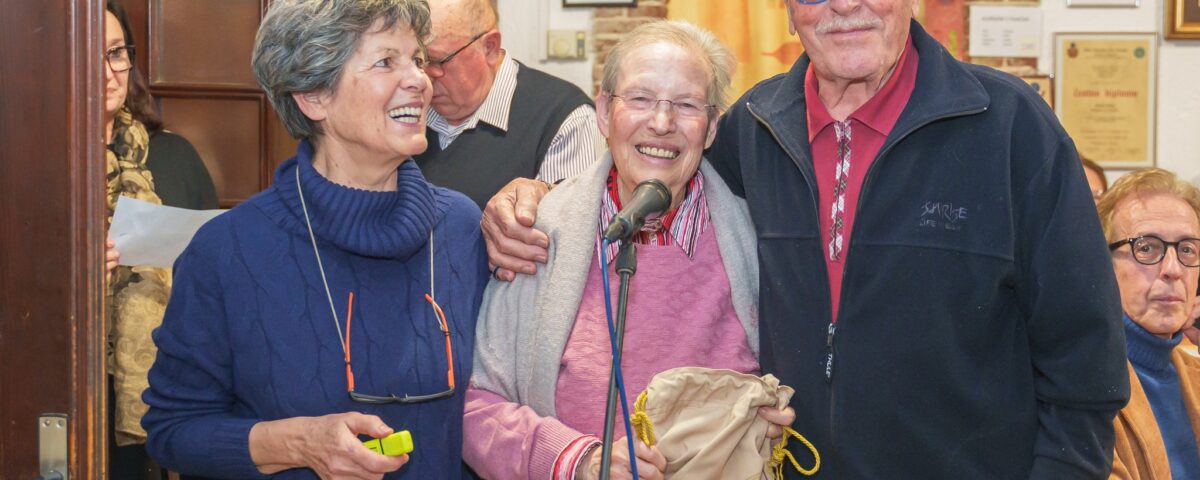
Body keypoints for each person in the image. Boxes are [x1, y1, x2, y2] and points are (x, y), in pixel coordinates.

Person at [480, 0, 1130, 477]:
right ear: (789, 10)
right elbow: (650, 170)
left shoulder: (1011, 129)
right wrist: (529, 194)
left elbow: (1084, 369)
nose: (844, 7)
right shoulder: (754, 132)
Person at [141, 1, 488, 478]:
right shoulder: (227, 253)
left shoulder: (463, 227)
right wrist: (296, 443)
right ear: (313, 96)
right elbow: (173, 430)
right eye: (387, 61)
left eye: (418, 59)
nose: (420, 80)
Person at [463, 20, 791, 480]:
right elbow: (476, 406)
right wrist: (576, 461)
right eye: (639, 99)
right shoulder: (534, 233)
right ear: (603, 112)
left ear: (712, 127)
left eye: (686, 104)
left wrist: (781, 417)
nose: (661, 123)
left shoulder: (760, 235)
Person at [102, 1, 218, 478]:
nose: (108, 72)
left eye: (115, 53)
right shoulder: (33, 163)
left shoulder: (174, 156)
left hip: (168, 390)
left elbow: (218, 272)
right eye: (89, 54)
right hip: (68, 392)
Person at [413, 0, 602, 209]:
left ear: (490, 47)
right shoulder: (407, 106)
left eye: (438, 61)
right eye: (417, 60)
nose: (424, 77)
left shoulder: (565, 120)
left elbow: (568, 232)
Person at [1096, 168, 1200, 479]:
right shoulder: (1077, 382)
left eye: (1187, 250)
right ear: (1103, 263)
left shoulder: (1194, 373)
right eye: (1146, 248)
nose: (1173, 270)